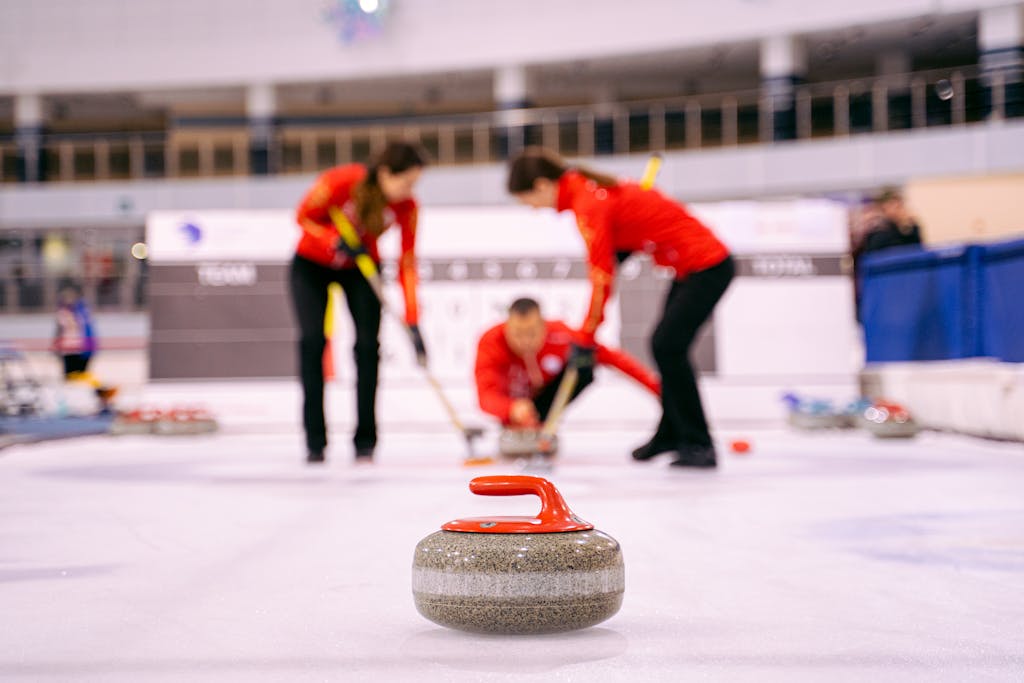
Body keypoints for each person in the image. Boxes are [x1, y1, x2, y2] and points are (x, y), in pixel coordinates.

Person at [507, 148, 734, 468]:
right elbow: (625, 240)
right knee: (665, 346)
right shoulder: (587, 192)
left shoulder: (588, 203)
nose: (532, 208)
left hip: (708, 266)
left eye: (527, 199)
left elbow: (601, 278)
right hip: (688, 268)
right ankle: (672, 432)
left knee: (667, 346)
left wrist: (586, 336)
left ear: (543, 185)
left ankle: (698, 442)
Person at [291, 141, 428, 464]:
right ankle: (315, 441)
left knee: (368, 349)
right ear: (384, 173)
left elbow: (409, 262)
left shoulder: (407, 207)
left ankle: (365, 441)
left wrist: (413, 319)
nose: (408, 190)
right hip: (311, 266)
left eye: (413, 184)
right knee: (312, 342)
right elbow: (303, 217)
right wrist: (333, 241)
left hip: (362, 268)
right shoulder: (342, 181)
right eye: (405, 182)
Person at [474, 297, 660, 429]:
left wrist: (659, 389)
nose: (524, 341)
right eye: (517, 334)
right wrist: (511, 408)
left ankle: (541, 421)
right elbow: (485, 395)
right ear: (506, 327)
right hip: (511, 405)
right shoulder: (491, 341)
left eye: (531, 334)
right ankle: (520, 425)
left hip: (545, 401)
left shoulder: (561, 335)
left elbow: (612, 357)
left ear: (543, 326)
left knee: (584, 362)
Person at [53, 282, 96, 378]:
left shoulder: (81, 312)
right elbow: (60, 330)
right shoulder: (64, 313)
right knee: (71, 375)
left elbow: (87, 329)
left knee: (80, 374)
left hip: (81, 347)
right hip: (69, 348)